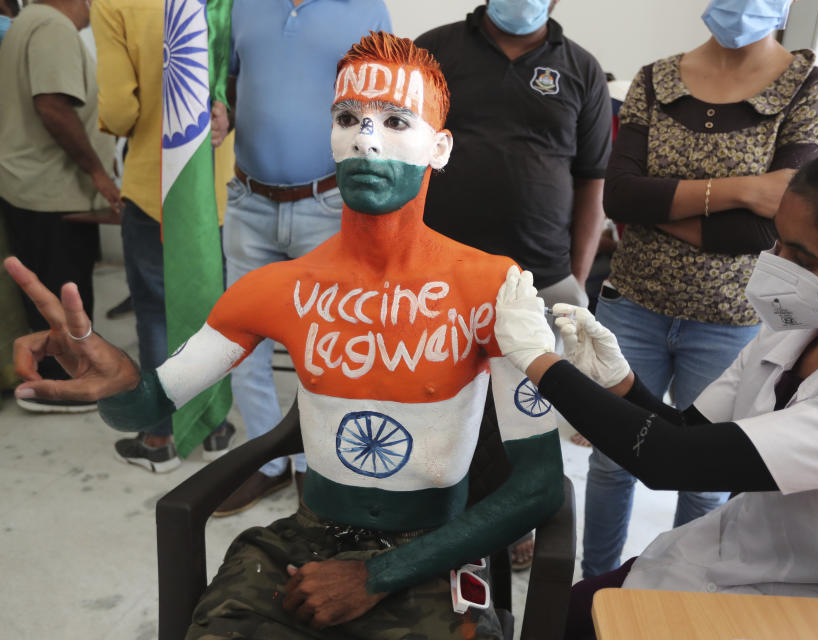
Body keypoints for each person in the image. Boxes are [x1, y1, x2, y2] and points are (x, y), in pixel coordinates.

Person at [6, 33, 563, 638]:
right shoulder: (277, 288)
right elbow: (147, 405)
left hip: (434, 548)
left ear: (441, 147)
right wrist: (113, 383)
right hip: (305, 540)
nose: (366, 140)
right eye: (347, 118)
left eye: (396, 120)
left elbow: (536, 487)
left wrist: (375, 576)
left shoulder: (493, 288)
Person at [492, 101, 818, 639]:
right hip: (734, 561)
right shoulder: (794, 330)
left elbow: (673, 462)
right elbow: (690, 434)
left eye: (803, 260)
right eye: (778, 240)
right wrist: (621, 383)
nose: (777, 265)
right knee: (569, 614)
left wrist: (537, 358)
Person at [582, 0, 818, 577]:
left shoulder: (809, 86)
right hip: (634, 304)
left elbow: (769, 224)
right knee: (611, 462)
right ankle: (594, 585)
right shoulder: (656, 77)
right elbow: (620, 197)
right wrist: (747, 188)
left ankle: (683, 593)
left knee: (705, 477)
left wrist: (662, 204)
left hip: (731, 318)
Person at [415, 0, 611, 569]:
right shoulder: (435, 49)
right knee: (437, 395)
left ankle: (512, 519)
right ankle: (435, 512)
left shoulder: (581, 68)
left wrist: (574, 273)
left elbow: (591, 177)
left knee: (524, 408)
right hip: (439, 270)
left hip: (541, 275)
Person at [208, 0, 392, 515]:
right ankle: (267, 464)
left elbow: (386, 106)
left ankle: (317, 471)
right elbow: (231, 84)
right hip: (249, 202)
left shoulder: (367, 9)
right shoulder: (240, 6)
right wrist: (223, 110)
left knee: (325, 349)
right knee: (240, 344)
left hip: (327, 204)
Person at [89, 0, 237, 472]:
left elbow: (118, 109)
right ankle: (214, 426)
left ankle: (160, 438)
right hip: (219, 187)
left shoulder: (114, 4)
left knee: (155, 311)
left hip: (155, 186)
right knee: (216, 312)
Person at [0, 0, 120, 413]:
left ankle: (51, 379)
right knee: (63, 294)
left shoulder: (29, 21)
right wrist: (98, 173)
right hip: (53, 191)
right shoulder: (51, 26)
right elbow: (51, 104)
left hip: (35, 187)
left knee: (51, 291)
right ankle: (60, 389)